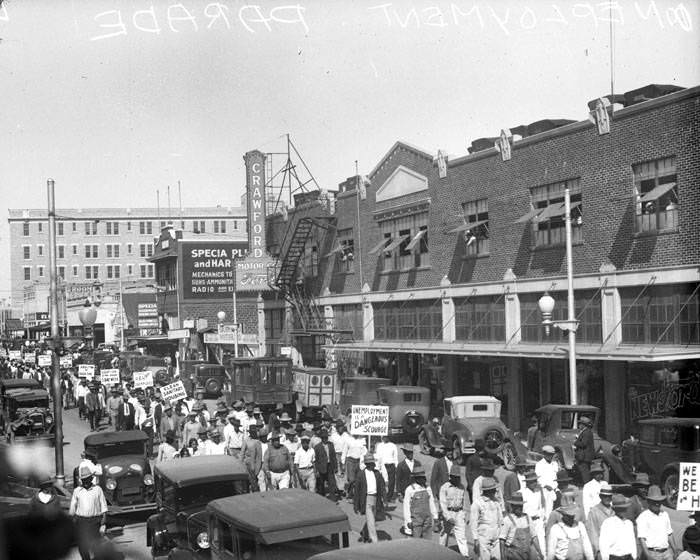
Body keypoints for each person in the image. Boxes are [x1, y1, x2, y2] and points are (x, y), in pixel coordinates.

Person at [69, 465, 108, 560]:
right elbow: (72, 507)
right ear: (81, 480)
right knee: (82, 546)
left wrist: (104, 519)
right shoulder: (77, 491)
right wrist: (70, 519)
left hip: (95, 521)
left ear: (91, 479)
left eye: (87, 479)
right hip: (81, 521)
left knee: (96, 544)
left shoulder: (97, 490)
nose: (85, 481)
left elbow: (103, 505)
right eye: (83, 480)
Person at [353, 453, 386, 544]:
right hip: (366, 499)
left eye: (373, 463)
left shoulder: (377, 473)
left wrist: (385, 499)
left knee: (373, 518)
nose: (373, 465)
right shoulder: (361, 474)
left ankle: (364, 532)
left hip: (376, 498)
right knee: (371, 520)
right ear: (367, 464)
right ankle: (375, 541)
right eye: (371, 463)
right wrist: (356, 505)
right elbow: (357, 491)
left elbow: (382, 487)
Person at [500, 492, 543, 560]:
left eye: (521, 506)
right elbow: (502, 540)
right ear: (512, 506)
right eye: (517, 506)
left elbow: (534, 536)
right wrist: (502, 557)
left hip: (526, 554)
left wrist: (540, 552)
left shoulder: (527, 518)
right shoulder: (507, 520)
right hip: (513, 554)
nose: (519, 508)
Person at [440, 463, 470, 556]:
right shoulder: (445, 487)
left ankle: (465, 555)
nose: (457, 479)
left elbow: (465, 502)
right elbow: (442, 504)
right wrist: (448, 517)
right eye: (455, 477)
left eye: (458, 477)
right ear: (451, 477)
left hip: (459, 513)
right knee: (445, 535)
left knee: (461, 536)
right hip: (449, 513)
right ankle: (441, 553)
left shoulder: (462, 487)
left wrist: (466, 515)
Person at [636, 487, 674, 560]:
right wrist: (648, 556)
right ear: (649, 501)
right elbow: (642, 539)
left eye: (659, 501)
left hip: (667, 552)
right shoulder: (643, 517)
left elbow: (669, 534)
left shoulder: (665, 514)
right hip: (653, 553)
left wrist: (675, 550)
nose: (657, 503)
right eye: (654, 501)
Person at [471, 477, 504, 560]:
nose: (495, 491)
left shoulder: (496, 502)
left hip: (496, 536)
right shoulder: (477, 503)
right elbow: (473, 522)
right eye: (493, 489)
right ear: (487, 490)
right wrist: (475, 539)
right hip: (483, 537)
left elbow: (500, 519)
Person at [402, 464, 438, 539]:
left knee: (427, 540)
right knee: (416, 541)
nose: (424, 479)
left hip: (427, 519)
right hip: (416, 520)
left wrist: (435, 516)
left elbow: (431, 502)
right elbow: (406, 507)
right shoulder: (410, 489)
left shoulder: (427, 488)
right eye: (421, 477)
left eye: (423, 477)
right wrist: (408, 521)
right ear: (416, 478)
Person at [598, 495, 637, 560]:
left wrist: (634, 556)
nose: (623, 511)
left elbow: (632, 542)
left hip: (628, 557)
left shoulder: (629, 523)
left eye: (624, 509)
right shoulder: (608, 523)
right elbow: (603, 545)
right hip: (614, 557)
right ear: (615, 509)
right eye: (620, 509)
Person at [585, 482, 614, 560]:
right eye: (605, 496)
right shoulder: (594, 512)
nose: (607, 498)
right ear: (600, 496)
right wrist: (598, 551)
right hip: (602, 550)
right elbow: (592, 533)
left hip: (615, 551)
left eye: (609, 496)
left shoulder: (615, 511)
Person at [430, 445, 454, 518]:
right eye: (448, 451)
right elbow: (433, 479)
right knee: (442, 512)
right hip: (441, 491)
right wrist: (434, 494)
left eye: (451, 451)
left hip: (452, 491)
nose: (450, 453)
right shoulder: (438, 462)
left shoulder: (454, 462)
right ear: (445, 452)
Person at [313, 428, 338, 499]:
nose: (325, 439)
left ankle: (333, 498)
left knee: (332, 482)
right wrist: (317, 470)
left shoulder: (331, 445)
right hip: (321, 467)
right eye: (323, 437)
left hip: (330, 466)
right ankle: (322, 498)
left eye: (326, 437)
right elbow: (316, 459)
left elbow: (333, 456)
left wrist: (335, 467)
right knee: (321, 483)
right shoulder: (317, 447)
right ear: (321, 438)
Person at [536, 445, 560, 519]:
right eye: (548, 454)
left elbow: (556, 478)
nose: (550, 456)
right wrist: (546, 486)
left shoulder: (555, 464)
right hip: (544, 490)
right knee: (545, 511)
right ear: (544, 454)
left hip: (554, 490)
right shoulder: (539, 464)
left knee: (555, 510)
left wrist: (555, 487)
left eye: (552, 454)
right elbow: (538, 479)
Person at [342, 432, 367, 500]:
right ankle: (349, 493)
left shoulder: (362, 440)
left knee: (357, 480)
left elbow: (364, 451)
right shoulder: (348, 440)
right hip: (350, 461)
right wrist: (343, 462)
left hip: (359, 461)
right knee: (351, 479)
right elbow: (344, 451)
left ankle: (354, 495)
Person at [375, 433, 398, 502]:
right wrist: (377, 466)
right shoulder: (379, 445)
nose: (385, 438)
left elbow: (395, 457)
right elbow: (378, 456)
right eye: (384, 437)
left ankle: (389, 497)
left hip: (391, 465)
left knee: (391, 482)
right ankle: (383, 496)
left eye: (387, 437)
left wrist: (396, 466)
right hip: (383, 465)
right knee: (383, 481)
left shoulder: (393, 445)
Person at [574, 416, 595, 484]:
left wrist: (576, 442)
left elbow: (583, 444)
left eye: (580, 424)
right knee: (585, 472)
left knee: (585, 473)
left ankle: (587, 486)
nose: (579, 425)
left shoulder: (586, 432)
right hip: (585, 456)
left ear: (583, 425)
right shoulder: (586, 432)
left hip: (584, 457)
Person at [242, 425, 263, 492]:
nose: (253, 433)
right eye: (252, 432)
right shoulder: (246, 440)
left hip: (255, 463)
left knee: (254, 481)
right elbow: (242, 452)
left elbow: (259, 456)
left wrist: (257, 468)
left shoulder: (258, 441)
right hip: (246, 462)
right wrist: (240, 463)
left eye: (254, 432)